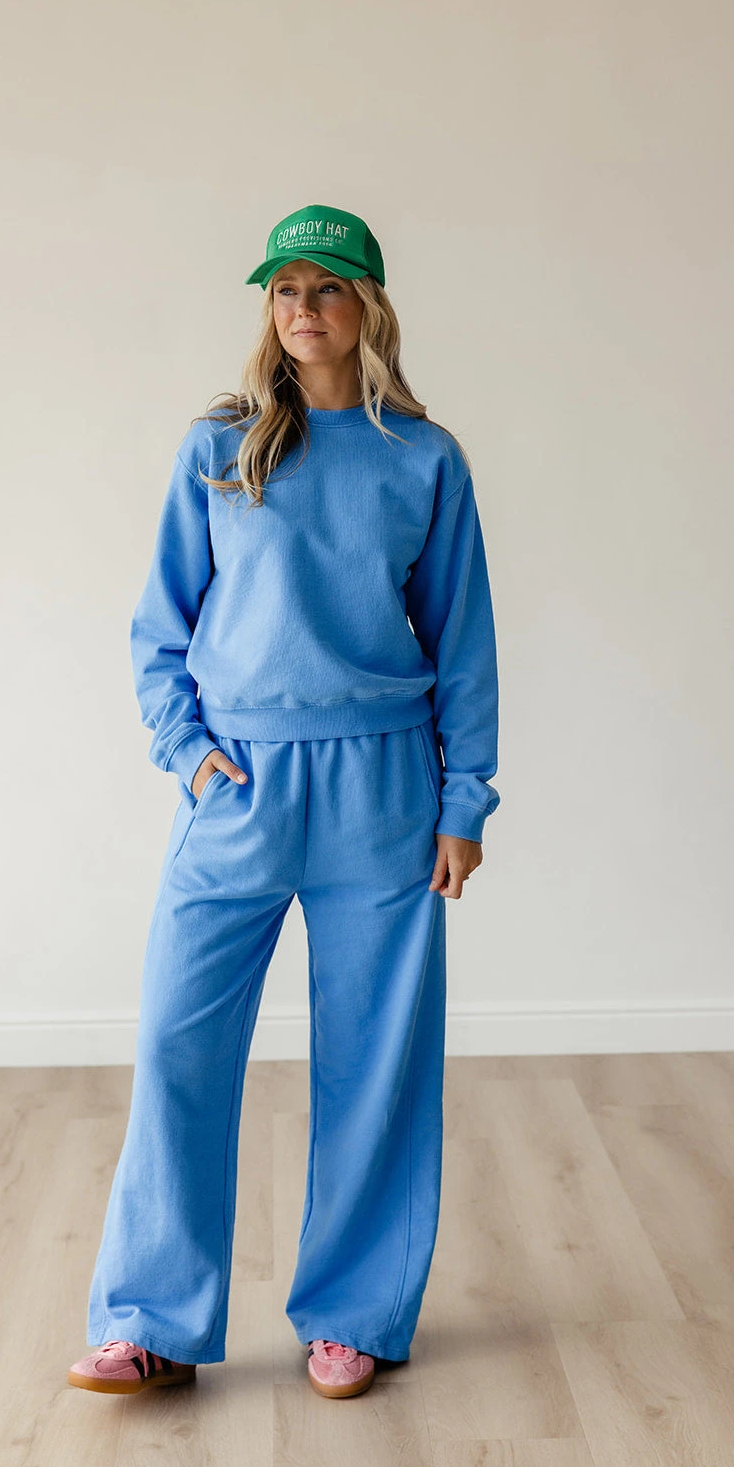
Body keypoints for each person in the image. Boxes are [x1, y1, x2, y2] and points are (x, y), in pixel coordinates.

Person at [68, 202, 501, 1401]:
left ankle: (354, 1311)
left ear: (368, 305)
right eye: (283, 289)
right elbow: (161, 627)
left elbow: (462, 639)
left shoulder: (423, 457)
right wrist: (189, 751)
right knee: (179, 1043)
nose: (302, 307)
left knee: (374, 1062)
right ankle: (150, 1320)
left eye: (326, 286)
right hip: (240, 784)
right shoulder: (219, 448)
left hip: (382, 785)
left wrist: (462, 800)